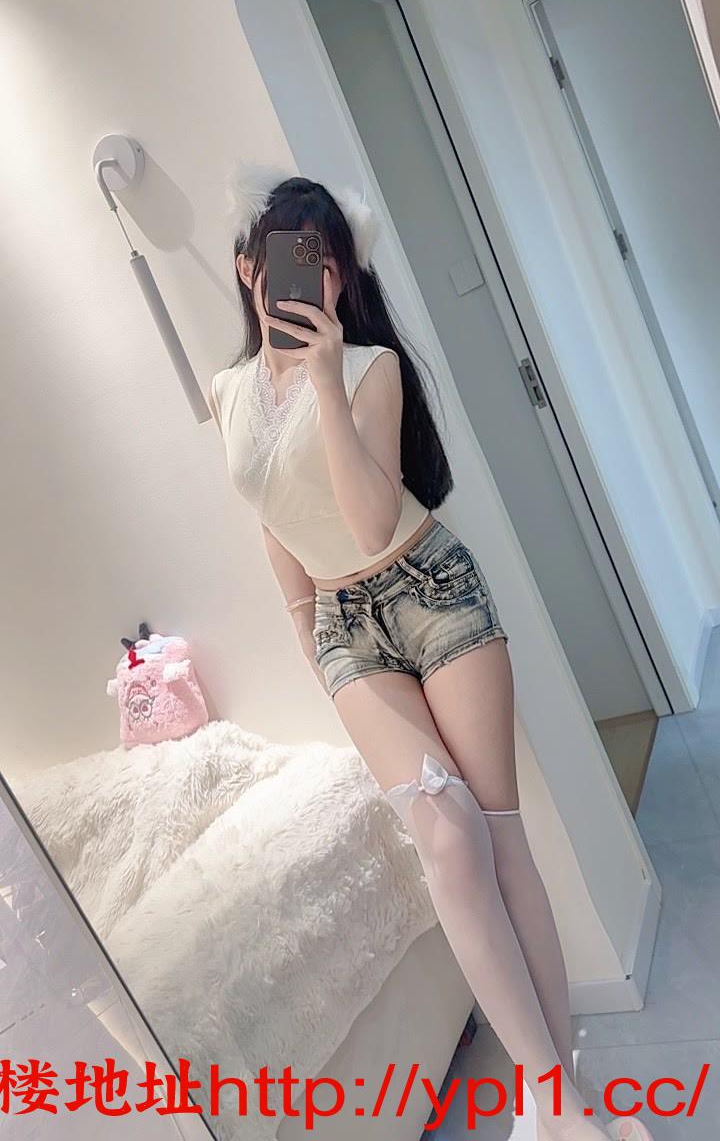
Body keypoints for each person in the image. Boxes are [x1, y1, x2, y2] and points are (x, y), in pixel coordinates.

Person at [208, 164, 653, 1141]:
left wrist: (325, 383)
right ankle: (559, 1107)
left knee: (497, 834)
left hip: (430, 589)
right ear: (248, 267)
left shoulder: (371, 369)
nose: (307, 277)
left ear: (342, 275)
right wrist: (308, 636)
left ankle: (556, 1107)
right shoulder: (227, 390)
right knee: (447, 839)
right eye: (288, 256)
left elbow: (371, 522)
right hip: (344, 625)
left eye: (325, 262)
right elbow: (270, 512)